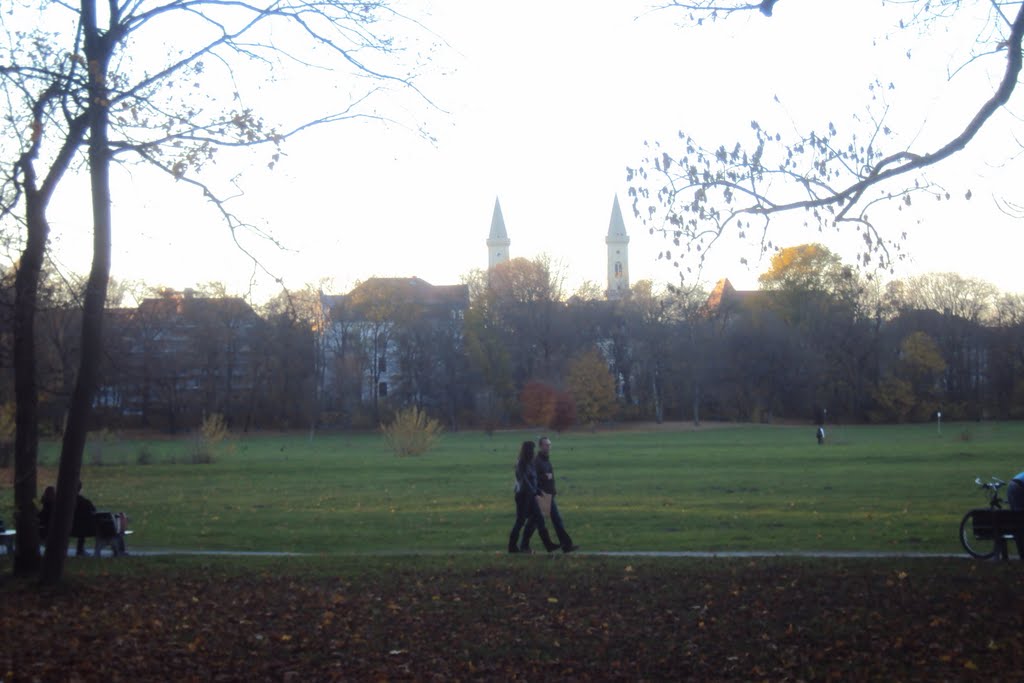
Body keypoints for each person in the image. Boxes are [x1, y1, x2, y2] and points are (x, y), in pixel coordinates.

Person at [520, 436, 578, 553]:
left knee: (537, 521)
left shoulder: (545, 459)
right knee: (548, 520)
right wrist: (542, 484)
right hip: (542, 495)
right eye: (546, 445)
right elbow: (533, 478)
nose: (549, 447)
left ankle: (524, 545)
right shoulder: (537, 461)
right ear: (541, 446)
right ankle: (566, 545)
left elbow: (549, 478)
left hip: (549, 495)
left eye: (549, 444)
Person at [508, 440, 560, 553]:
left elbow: (534, 480)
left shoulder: (530, 462)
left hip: (531, 496)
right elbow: (524, 481)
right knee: (520, 521)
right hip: (523, 496)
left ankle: (548, 545)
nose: (533, 451)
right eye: (532, 449)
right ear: (527, 450)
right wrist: (534, 491)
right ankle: (512, 546)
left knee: (539, 519)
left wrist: (537, 490)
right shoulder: (521, 463)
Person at [72, 482, 96, 556]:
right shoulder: (85, 502)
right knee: (82, 526)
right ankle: (80, 550)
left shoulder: (64, 501)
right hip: (81, 529)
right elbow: (94, 511)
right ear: (80, 489)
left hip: (67, 528)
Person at [1009, 471, 1024, 560]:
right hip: (1020, 487)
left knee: (1018, 522)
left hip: (1013, 485)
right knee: (1021, 522)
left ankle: (1022, 554)